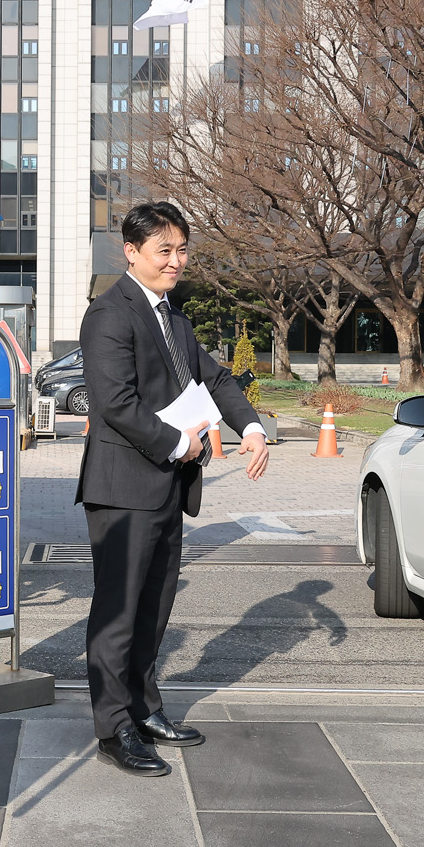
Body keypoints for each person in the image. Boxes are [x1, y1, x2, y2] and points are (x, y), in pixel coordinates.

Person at [75, 202, 269, 776]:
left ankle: (144, 707)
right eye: (165, 250)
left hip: (167, 488)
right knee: (118, 611)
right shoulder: (109, 314)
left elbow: (215, 378)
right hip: (123, 486)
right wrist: (179, 444)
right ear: (131, 252)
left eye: (182, 250)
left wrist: (252, 426)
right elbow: (115, 404)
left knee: (154, 607)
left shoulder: (175, 320)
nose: (176, 261)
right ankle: (114, 729)